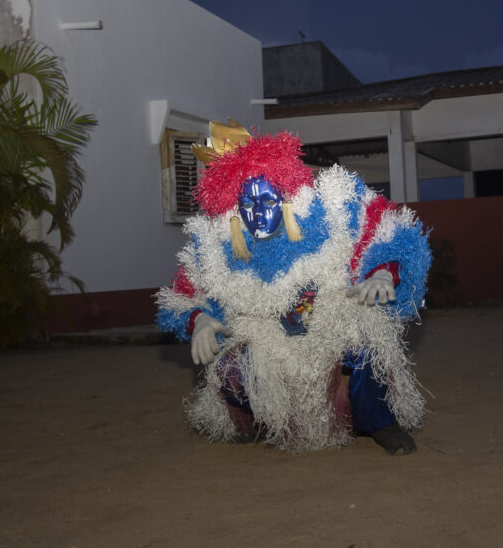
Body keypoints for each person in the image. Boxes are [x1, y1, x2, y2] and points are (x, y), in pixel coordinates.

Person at [156, 120, 431, 454]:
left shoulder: (329, 208)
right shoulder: (214, 244)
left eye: (268, 201)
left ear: (285, 199)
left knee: (367, 347)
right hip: (268, 341)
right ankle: (261, 421)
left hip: (332, 323)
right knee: (231, 366)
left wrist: (384, 272)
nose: (258, 214)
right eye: (248, 205)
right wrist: (198, 319)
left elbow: (388, 227)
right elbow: (183, 295)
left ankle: (380, 422)